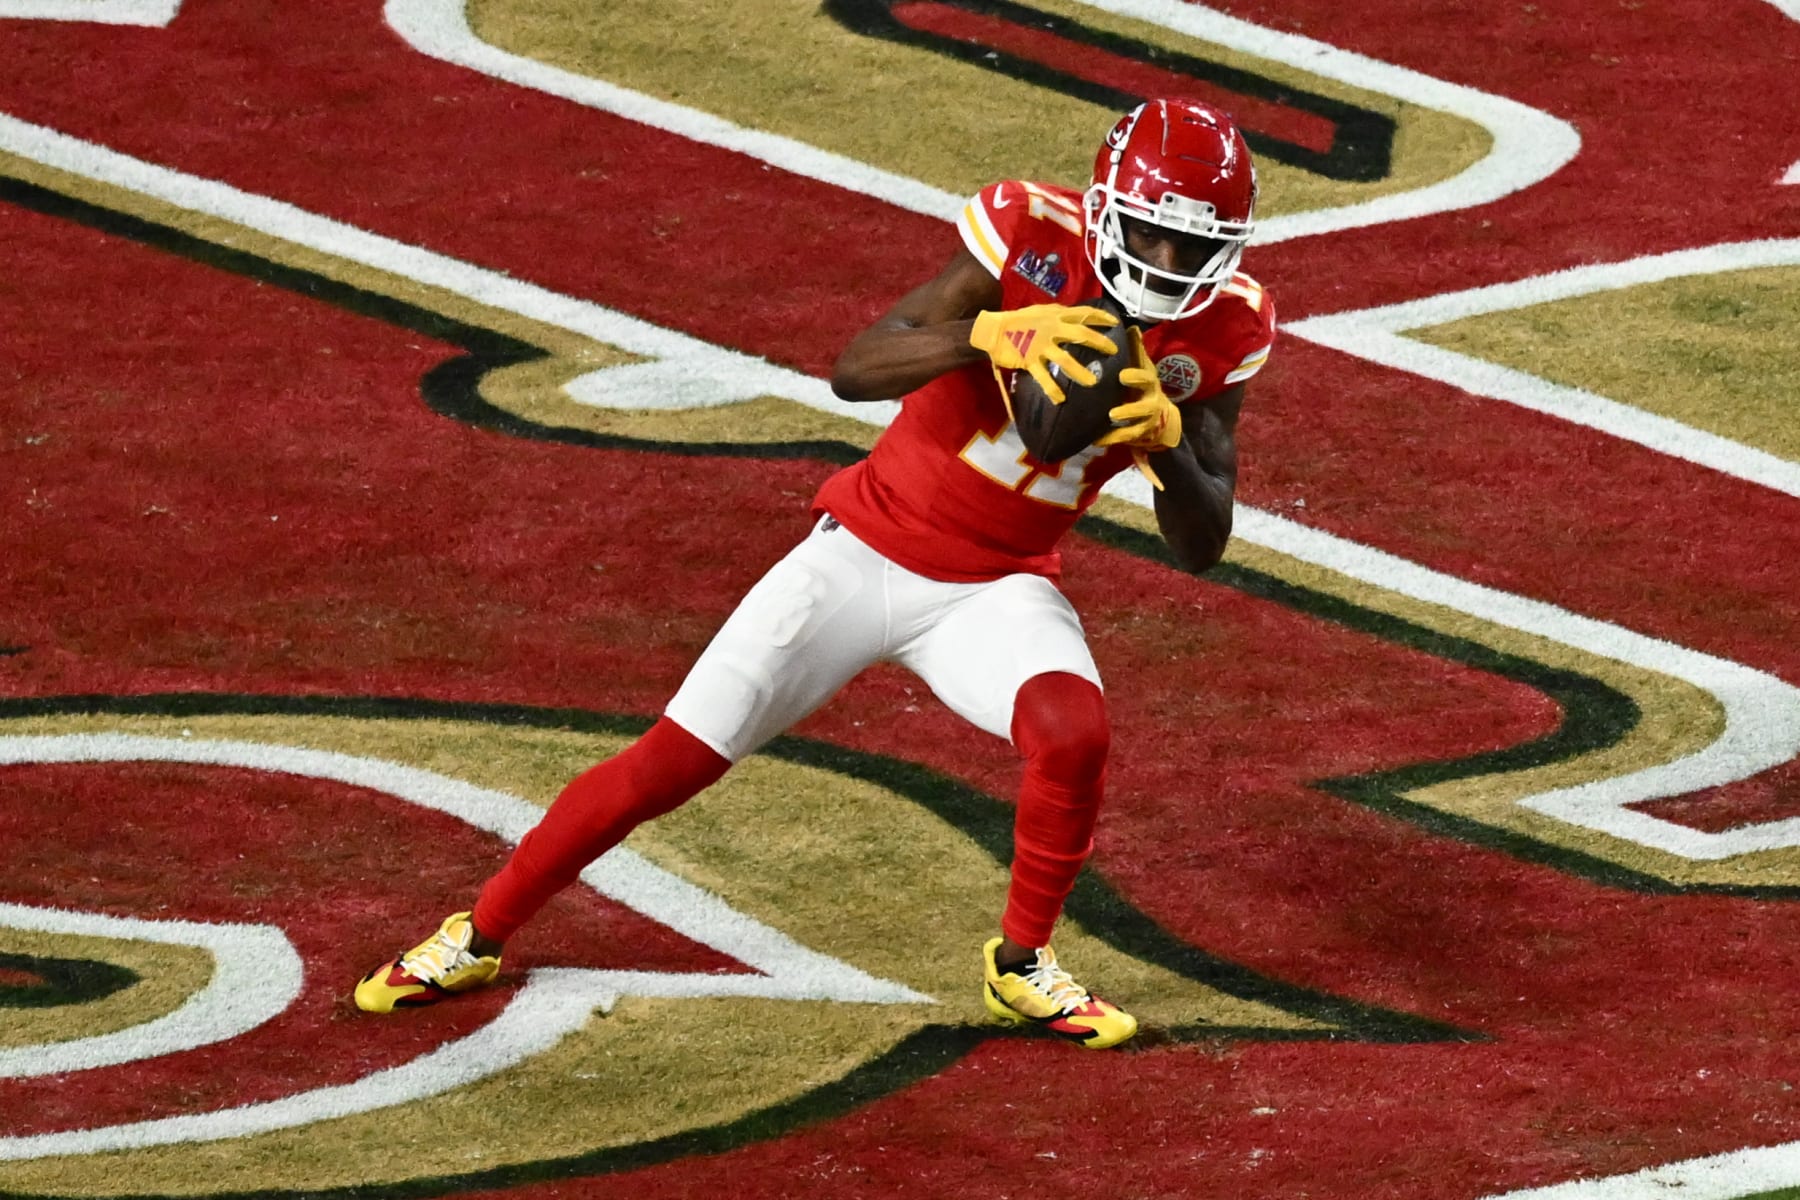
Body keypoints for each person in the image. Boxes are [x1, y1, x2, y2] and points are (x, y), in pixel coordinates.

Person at [354, 97, 1276, 1050]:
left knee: (1073, 735)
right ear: (1106, 207)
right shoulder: (1029, 233)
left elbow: (1203, 541)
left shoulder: (1225, 328)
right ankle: (478, 933)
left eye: (1189, 246)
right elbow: (856, 367)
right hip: (866, 552)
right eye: (1153, 235)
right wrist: (993, 335)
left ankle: (1020, 967)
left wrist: (1167, 444)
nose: (1168, 265)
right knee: (669, 762)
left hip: (995, 586)